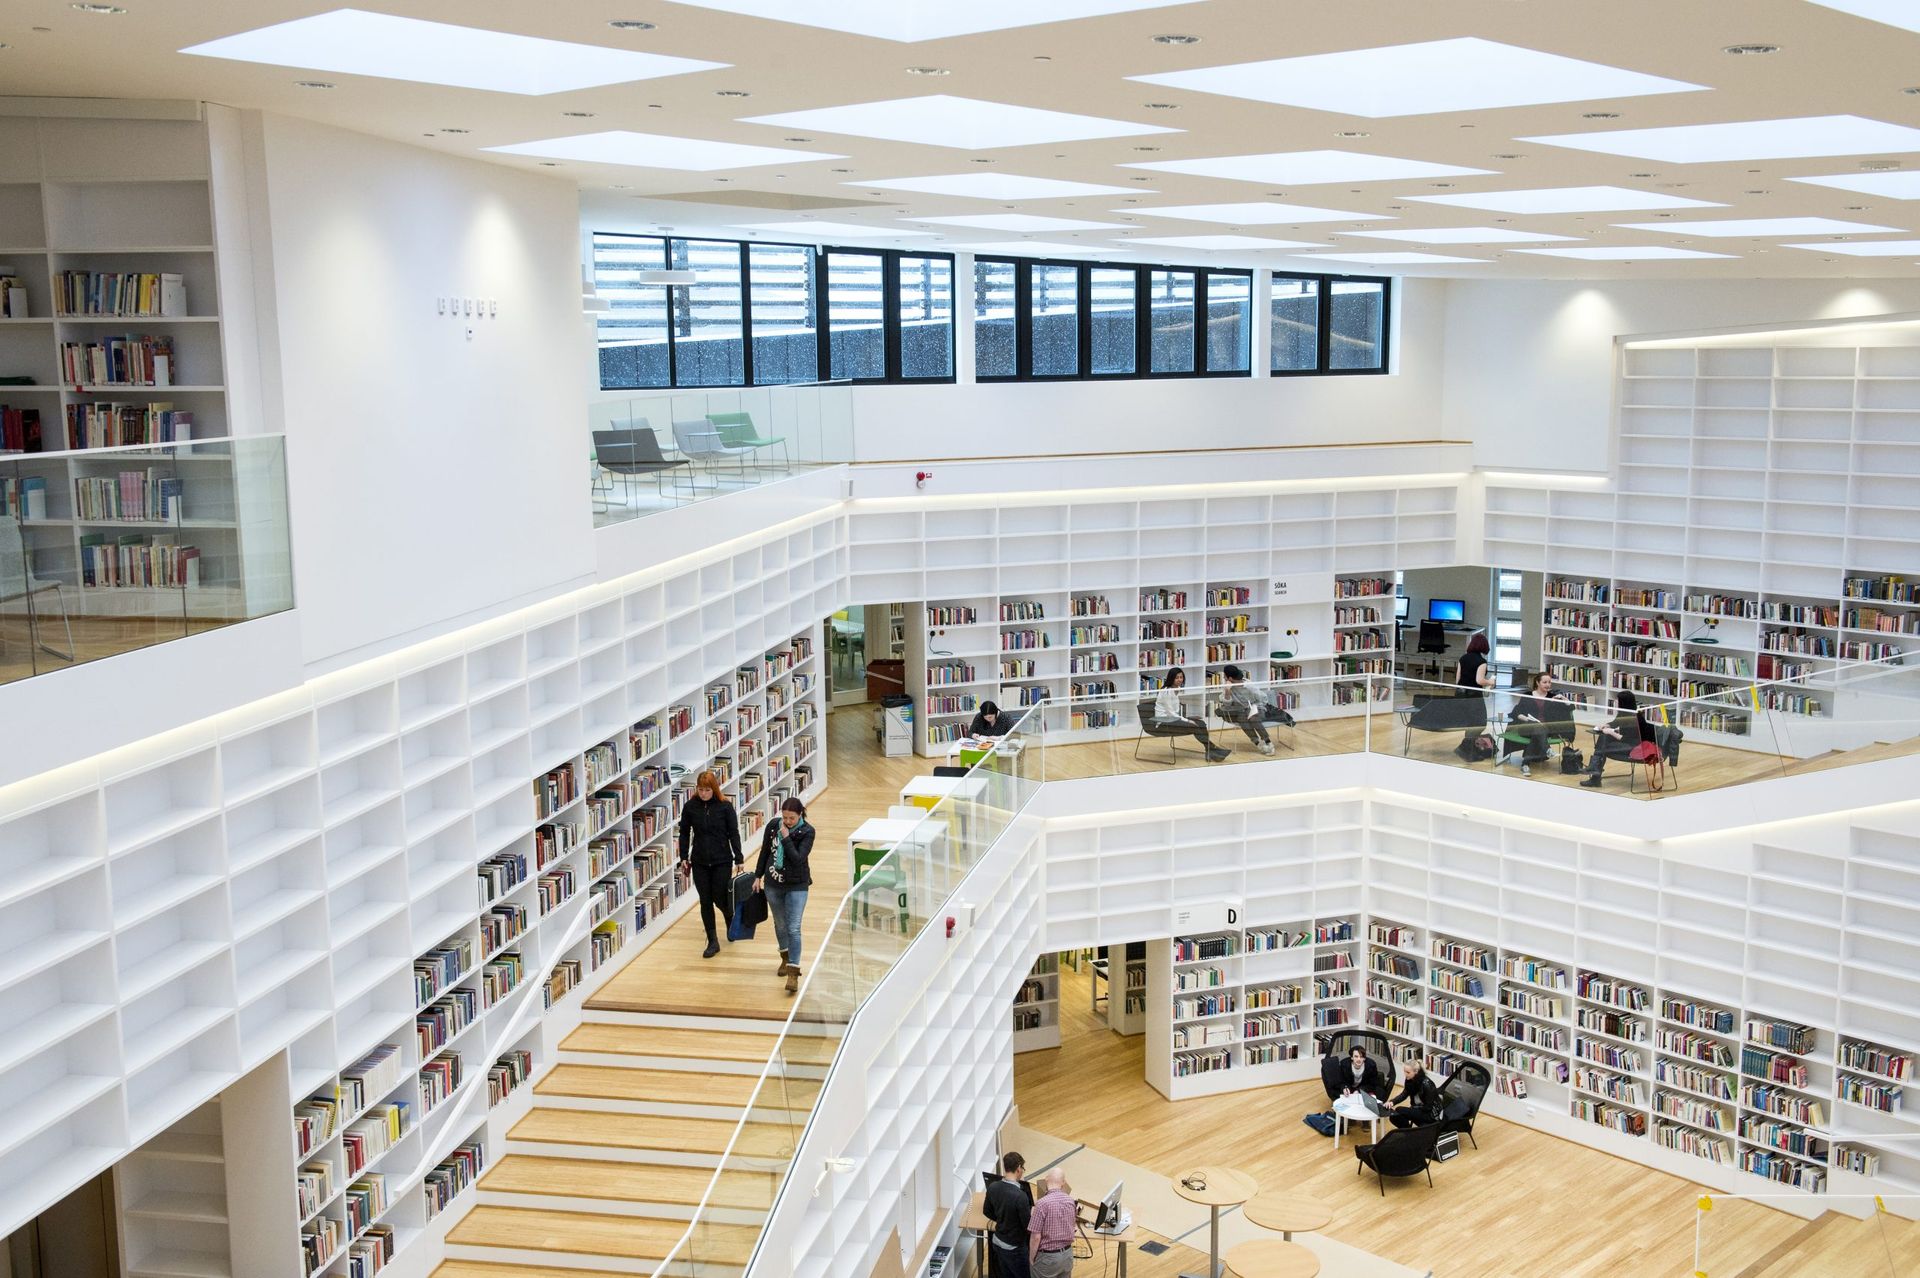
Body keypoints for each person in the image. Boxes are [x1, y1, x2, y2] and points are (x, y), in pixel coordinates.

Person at [677, 770, 742, 958]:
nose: (703, 793)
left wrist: (739, 858)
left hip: (722, 860)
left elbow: (734, 833)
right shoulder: (690, 807)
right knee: (705, 900)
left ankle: (730, 918)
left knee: (720, 897)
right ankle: (713, 941)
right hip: (699, 861)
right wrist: (683, 856)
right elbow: (684, 832)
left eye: (707, 789)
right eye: (700, 789)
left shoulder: (725, 807)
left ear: (714, 789)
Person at [754, 795, 814, 994]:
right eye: (785, 817)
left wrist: (786, 838)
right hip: (773, 884)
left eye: (792, 818)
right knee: (780, 924)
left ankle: (793, 973)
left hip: (797, 885)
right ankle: (785, 958)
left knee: (794, 927)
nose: (787, 821)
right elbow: (765, 852)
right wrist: (757, 876)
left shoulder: (807, 832)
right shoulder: (773, 826)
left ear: (800, 815)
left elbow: (798, 859)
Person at [1500, 670, 1574, 776]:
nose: (1548, 685)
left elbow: (1571, 707)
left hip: (1545, 729)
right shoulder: (1528, 695)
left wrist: (1562, 698)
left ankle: (1525, 764)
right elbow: (1518, 713)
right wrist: (1527, 719)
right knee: (1537, 728)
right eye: (1545, 682)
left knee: (1538, 732)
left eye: (1549, 682)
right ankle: (1547, 749)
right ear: (1538, 683)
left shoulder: (1551, 697)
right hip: (1527, 726)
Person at [1152, 667, 1230, 763]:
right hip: (1163, 722)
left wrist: (1187, 718)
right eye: (1177, 678)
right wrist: (1187, 720)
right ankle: (1211, 749)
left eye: (1181, 677)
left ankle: (1209, 749)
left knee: (1201, 723)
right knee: (1193, 726)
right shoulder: (1166, 691)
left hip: (1173, 719)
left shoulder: (1177, 689)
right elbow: (1170, 713)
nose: (1180, 680)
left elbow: (1175, 712)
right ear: (1171, 678)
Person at [1582, 689, 1656, 789]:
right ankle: (1594, 769)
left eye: (1618, 700)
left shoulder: (1636, 718)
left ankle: (1595, 774)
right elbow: (1616, 723)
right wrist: (1606, 725)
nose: (1616, 702)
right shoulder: (1624, 713)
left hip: (1634, 747)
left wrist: (1611, 732)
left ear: (1623, 703)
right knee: (1604, 737)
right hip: (1626, 743)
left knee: (1604, 743)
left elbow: (1627, 739)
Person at [1216, 664, 1291, 756]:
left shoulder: (1249, 686)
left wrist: (1253, 707)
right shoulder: (1227, 686)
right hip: (1241, 711)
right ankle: (1258, 743)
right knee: (1242, 719)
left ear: (1230, 678)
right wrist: (1227, 691)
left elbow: (1263, 699)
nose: (1224, 677)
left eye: (1224, 676)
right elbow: (1227, 705)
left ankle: (1268, 742)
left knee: (1253, 717)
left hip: (1257, 707)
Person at [982, 1151, 1032, 1278]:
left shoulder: (993, 1187)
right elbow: (1028, 1225)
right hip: (1014, 1248)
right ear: (1019, 1168)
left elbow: (986, 1211)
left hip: (998, 1242)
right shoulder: (1020, 1196)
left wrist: (1002, 1218)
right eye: (1023, 1169)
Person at [1452, 631, 1495, 758]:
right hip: (1474, 696)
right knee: (1480, 722)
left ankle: (1468, 748)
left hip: (1460, 695)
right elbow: (1479, 680)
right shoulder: (1481, 661)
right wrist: (1490, 681)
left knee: (1470, 723)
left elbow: (1457, 679)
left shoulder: (1463, 658)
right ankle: (1466, 748)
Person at [1028, 1168, 1077, 1278]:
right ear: (1063, 1183)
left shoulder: (1041, 1204)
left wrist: (1031, 1258)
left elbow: (1035, 1236)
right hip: (1067, 1256)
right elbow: (1072, 1226)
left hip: (1047, 1259)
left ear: (1046, 1180)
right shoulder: (1071, 1201)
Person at [1386, 1058, 1441, 1129]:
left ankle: (1407, 1130)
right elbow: (1404, 1094)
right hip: (1419, 1108)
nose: (1405, 1074)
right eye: (1404, 1071)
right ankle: (1406, 1129)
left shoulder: (1427, 1084)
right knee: (1393, 1116)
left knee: (1399, 1110)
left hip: (1431, 1114)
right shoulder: (1409, 1080)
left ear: (1416, 1072)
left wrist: (1413, 1110)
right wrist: (1392, 1102)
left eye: (1408, 1072)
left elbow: (1428, 1107)